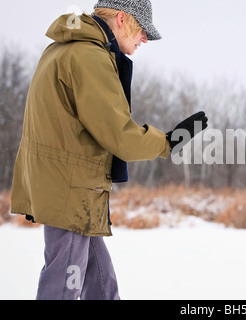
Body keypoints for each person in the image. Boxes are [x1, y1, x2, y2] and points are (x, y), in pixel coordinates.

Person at [10, 0, 208, 300]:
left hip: (68, 185)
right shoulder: (89, 56)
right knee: (64, 285)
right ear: (121, 19)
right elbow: (120, 135)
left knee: (99, 281)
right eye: (142, 30)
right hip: (70, 189)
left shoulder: (63, 48)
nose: (144, 39)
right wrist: (167, 142)